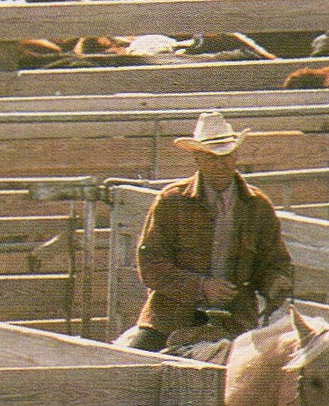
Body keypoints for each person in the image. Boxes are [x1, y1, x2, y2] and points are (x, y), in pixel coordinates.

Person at [118, 110, 294, 353]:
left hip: (237, 318)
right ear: (197, 159)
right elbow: (151, 263)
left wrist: (271, 290)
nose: (220, 164)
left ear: (236, 157)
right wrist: (201, 287)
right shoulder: (172, 201)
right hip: (171, 315)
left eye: (227, 156)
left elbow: (276, 263)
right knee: (135, 365)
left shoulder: (257, 206)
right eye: (211, 157)